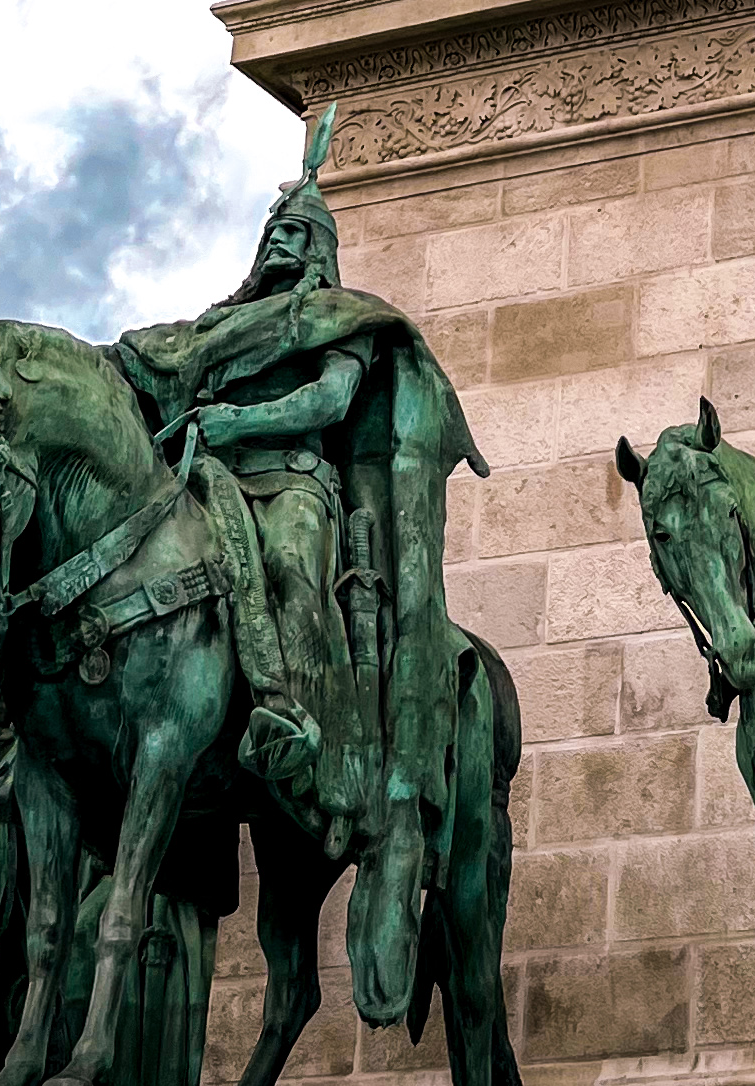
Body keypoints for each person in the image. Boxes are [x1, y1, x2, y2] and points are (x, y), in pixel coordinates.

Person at [112, 108, 483, 860]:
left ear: (321, 251)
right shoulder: (214, 327)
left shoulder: (337, 317)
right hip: (207, 478)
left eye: (297, 233)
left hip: (295, 484)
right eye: (275, 231)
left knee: (289, 571)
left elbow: (329, 403)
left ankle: (306, 727)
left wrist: (235, 424)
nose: (282, 240)